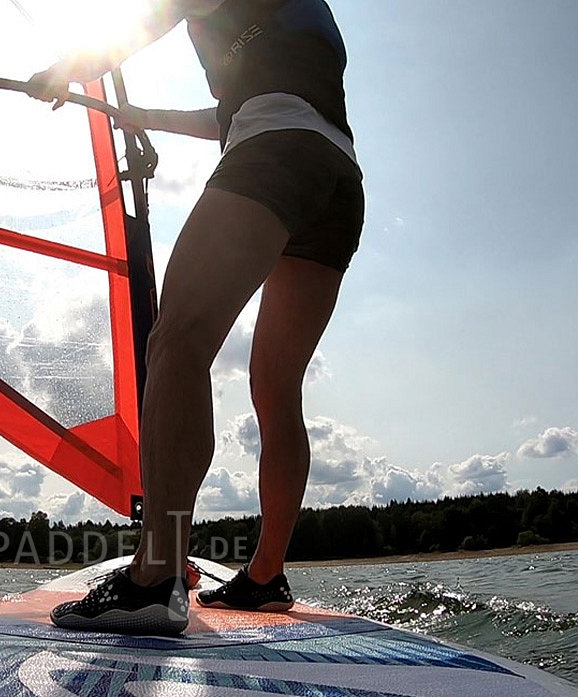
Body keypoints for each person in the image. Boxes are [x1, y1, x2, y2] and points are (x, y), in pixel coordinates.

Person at [28, 0, 364, 635]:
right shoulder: (296, 22)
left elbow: (153, 17)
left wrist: (66, 69)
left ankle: (156, 575)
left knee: (178, 342)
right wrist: (144, 117)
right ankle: (265, 578)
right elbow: (230, 116)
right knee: (276, 387)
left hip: (275, 157)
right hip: (337, 177)